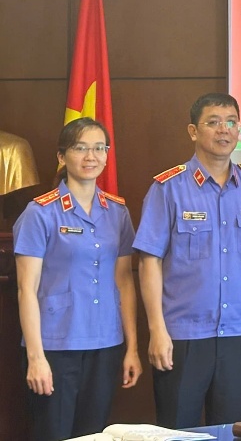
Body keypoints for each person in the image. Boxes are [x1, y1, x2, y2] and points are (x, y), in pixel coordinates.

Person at [134, 93, 241, 428]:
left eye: (231, 122)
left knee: (234, 430)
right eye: (213, 122)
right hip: (183, 335)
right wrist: (157, 330)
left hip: (239, 331)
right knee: (178, 431)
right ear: (193, 131)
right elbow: (149, 262)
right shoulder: (168, 188)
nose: (224, 130)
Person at [13, 118, 140, 441]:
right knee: (52, 433)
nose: (90, 156)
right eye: (80, 148)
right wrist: (36, 358)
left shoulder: (117, 212)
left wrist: (132, 348)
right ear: (62, 156)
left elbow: (124, 282)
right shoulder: (40, 213)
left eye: (99, 148)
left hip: (105, 344)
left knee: (94, 435)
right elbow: (26, 289)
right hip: (56, 346)